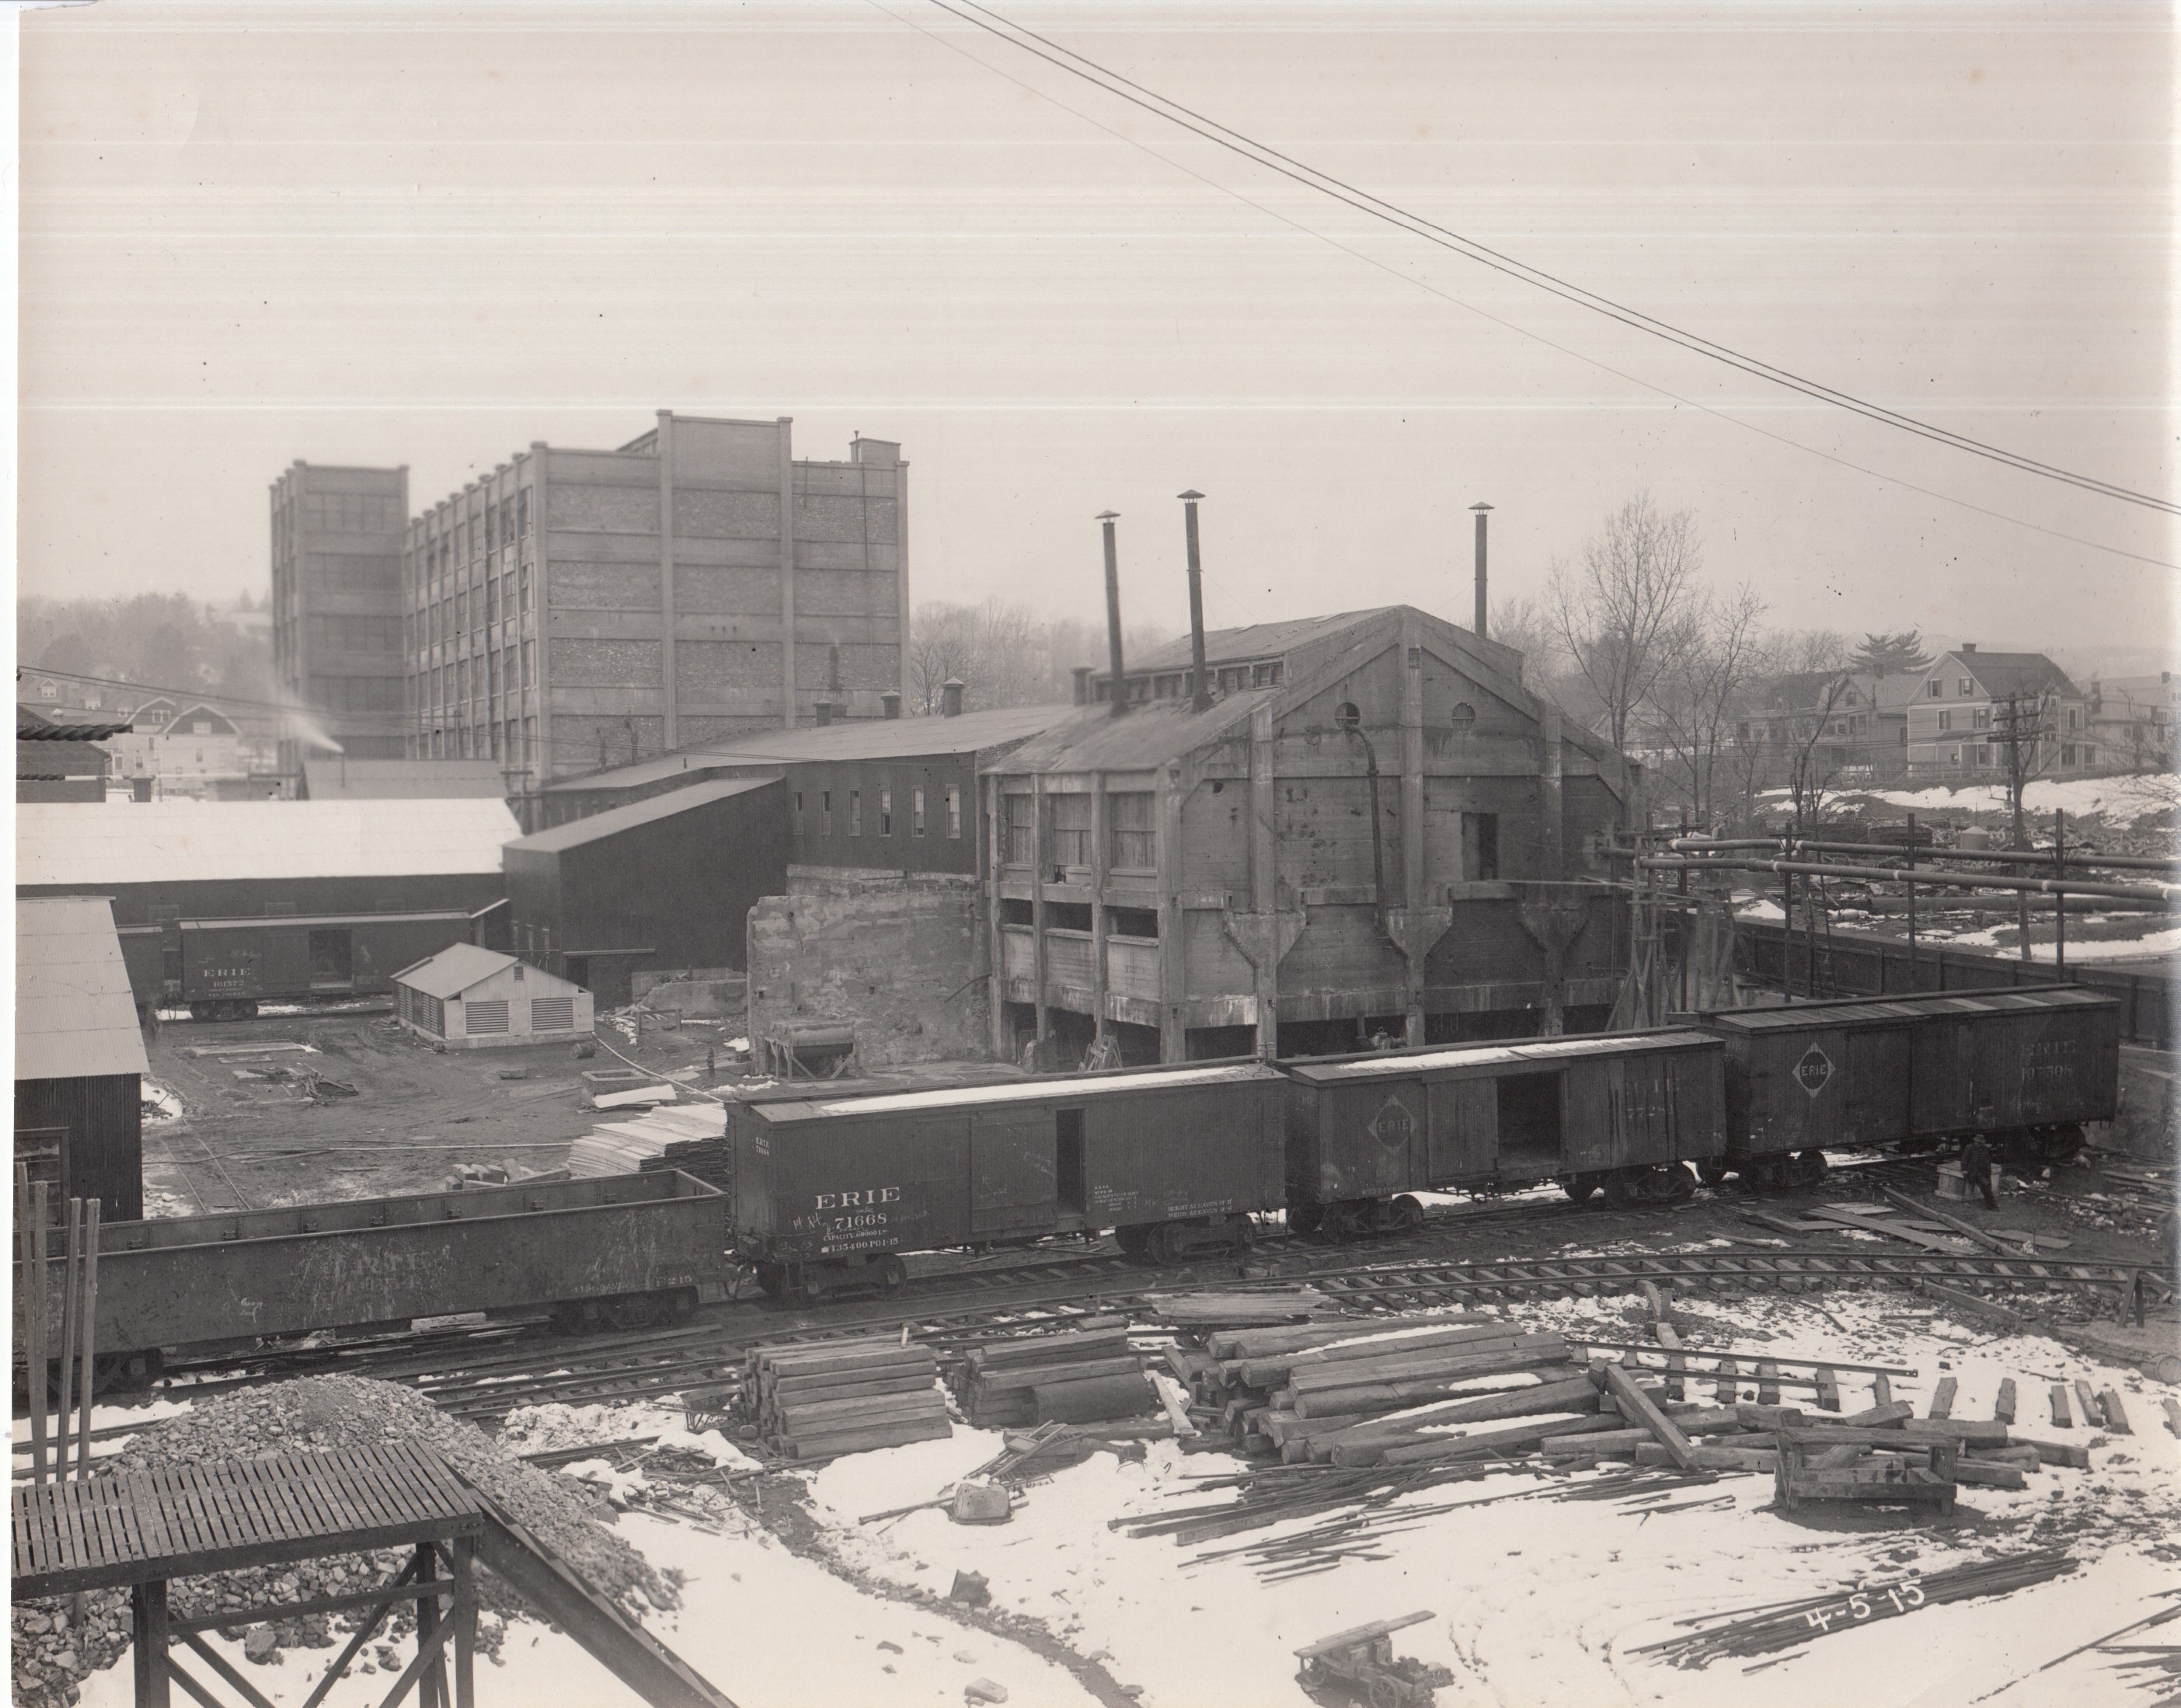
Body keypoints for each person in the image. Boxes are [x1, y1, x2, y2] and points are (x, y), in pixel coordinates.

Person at [1960, 1135, 1998, 1210]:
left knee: (1989, 1186)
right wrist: (1964, 1169)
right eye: (1978, 1143)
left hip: (1985, 1171)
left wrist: (1988, 1170)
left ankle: (1993, 1204)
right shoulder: (1969, 1148)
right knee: (1986, 1185)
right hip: (1975, 1172)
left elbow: (1987, 1159)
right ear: (1975, 1141)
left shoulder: (1984, 1149)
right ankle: (1992, 1206)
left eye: (1981, 1143)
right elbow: (1964, 1159)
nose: (1979, 1144)